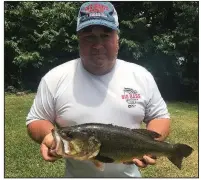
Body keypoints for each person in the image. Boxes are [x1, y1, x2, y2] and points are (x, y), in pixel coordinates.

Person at [26, 1, 170, 178]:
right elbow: (37, 119)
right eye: (89, 37)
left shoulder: (141, 76)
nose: (97, 45)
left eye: (105, 35)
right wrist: (49, 138)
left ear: (117, 39)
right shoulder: (55, 78)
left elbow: (159, 116)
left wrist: (150, 146)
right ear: (79, 39)